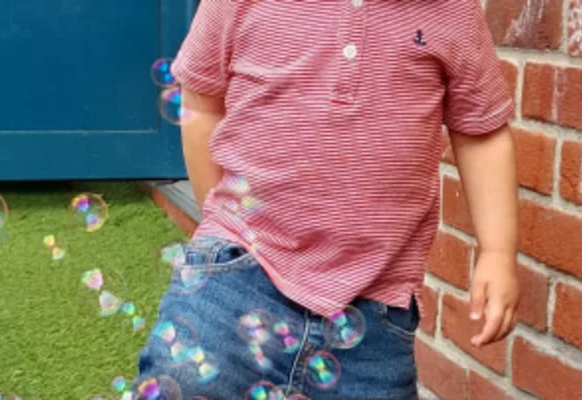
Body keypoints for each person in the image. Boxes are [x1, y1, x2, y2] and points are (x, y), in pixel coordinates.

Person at [136, 1, 520, 399]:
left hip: (376, 310)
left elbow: (483, 133)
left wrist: (498, 251)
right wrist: (217, 222)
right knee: (183, 382)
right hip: (238, 269)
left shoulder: (452, 12)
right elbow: (201, 100)